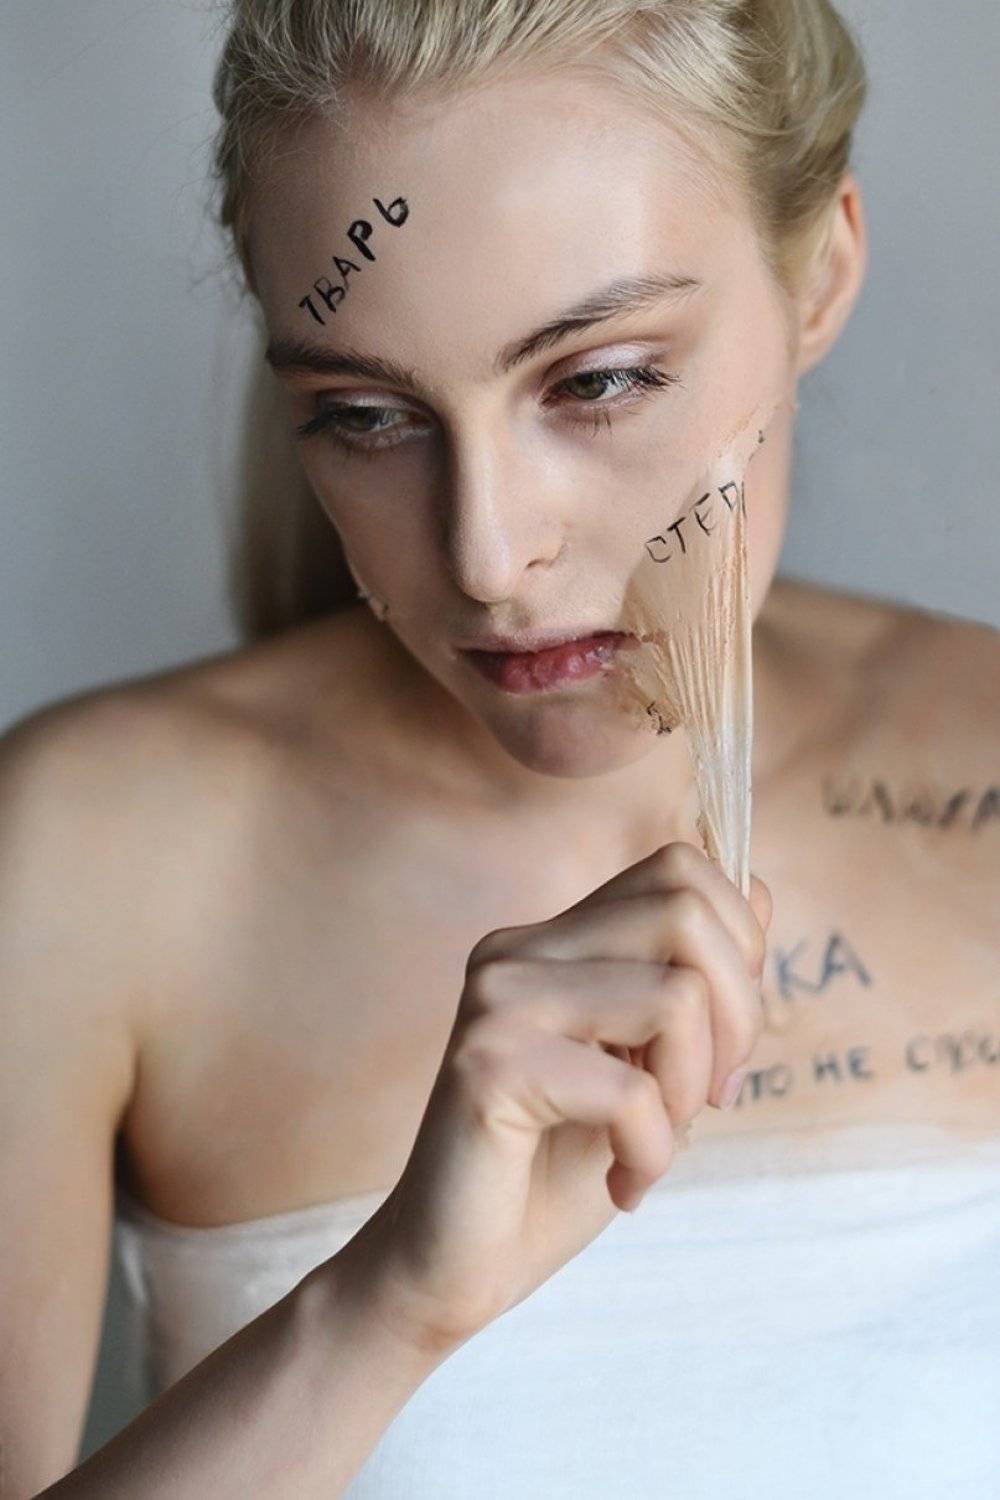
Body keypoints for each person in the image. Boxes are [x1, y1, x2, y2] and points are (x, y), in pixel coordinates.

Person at [3, 1, 998, 1495]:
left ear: (820, 276)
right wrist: (385, 1306)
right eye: (365, 415)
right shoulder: (88, 856)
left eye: (597, 380)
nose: (486, 556)